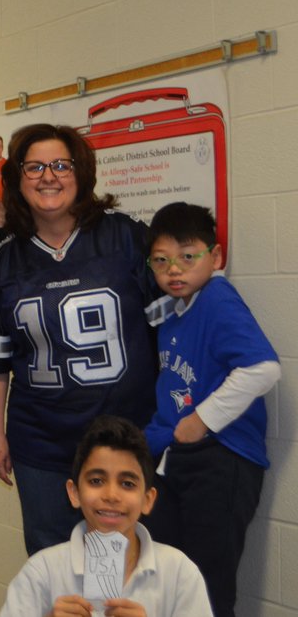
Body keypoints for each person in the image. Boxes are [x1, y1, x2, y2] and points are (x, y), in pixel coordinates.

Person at [0, 124, 170, 556]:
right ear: (17, 180)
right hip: (42, 445)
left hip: (126, 437)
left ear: (81, 172)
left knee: (125, 567)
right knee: (56, 570)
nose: (49, 176)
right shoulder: (3, 261)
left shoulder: (124, 237)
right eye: (35, 167)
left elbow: (169, 335)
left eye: (61, 165)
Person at [141, 203, 280, 617]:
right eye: (161, 260)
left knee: (207, 588)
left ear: (215, 257)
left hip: (223, 459)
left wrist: (201, 421)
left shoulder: (217, 296)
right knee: (171, 577)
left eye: (188, 256)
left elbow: (263, 368)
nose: (174, 270)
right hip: (179, 459)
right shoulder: (174, 311)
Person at [0, 415, 213, 617]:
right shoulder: (41, 572)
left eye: (127, 484)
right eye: (96, 481)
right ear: (74, 493)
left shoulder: (179, 573)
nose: (111, 495)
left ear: (147, 499)